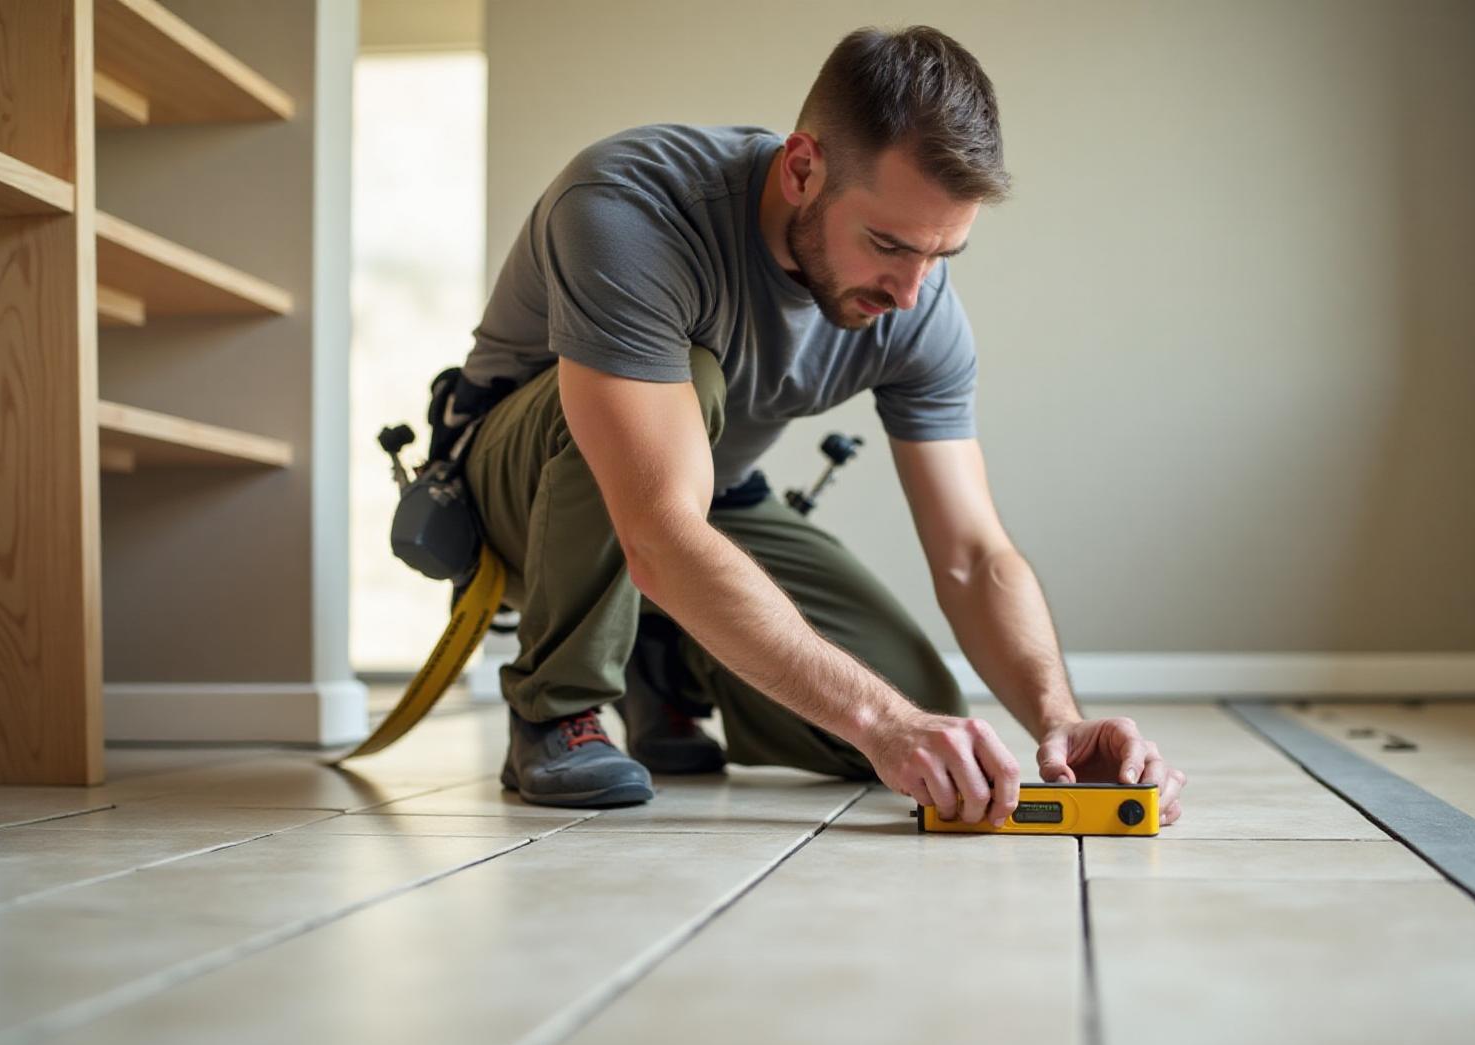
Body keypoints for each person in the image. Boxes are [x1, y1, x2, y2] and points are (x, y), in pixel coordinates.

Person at [453, 25, 1187, 827]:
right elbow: (658, 531)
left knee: (922, 712)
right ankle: (556, 708)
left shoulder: (917, 306)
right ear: (802, 168)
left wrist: (1058, 720)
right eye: (888, 244)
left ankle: (664, 661)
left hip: (709, 496)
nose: (909, 293)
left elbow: (974, 556)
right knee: (694, 389)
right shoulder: (630, 208)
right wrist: (880, 721)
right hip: (523, 497)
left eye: (941, 256)